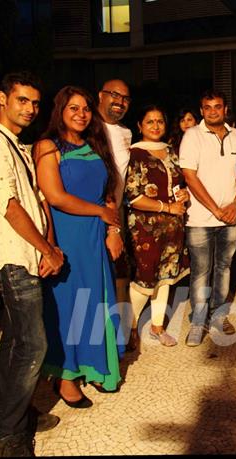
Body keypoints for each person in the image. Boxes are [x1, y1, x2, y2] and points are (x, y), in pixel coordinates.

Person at [0, 71, 64, 456]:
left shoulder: (17, 145)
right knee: (32, 345)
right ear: (2, 98)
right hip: (12, 256)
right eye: (22, 100)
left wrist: (50, 248)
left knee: (14, 342)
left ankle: (17, 411)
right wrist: (46, 248)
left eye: (35, 103)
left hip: (30, 253)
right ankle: (10, 435)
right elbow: (9, 208)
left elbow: (38, 201)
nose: (29, 108)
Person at [34, 86, 124, 408]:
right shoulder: (47, 146)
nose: (81, 114)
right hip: (67, 235)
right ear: (60, 110)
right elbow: (55, 196)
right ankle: (67, 378)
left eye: (86, 109)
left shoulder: (95, 145)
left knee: (97, 303)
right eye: (73, 108)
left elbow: (109, 192)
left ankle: (98, 366)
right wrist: (100, 211)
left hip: (96, 237)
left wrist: (113, 229)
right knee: (70, 306)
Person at [180, 90, 236, 347]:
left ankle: (218, 315)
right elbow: (190, 176)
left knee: (224, 268)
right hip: (200, 219)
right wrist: (215, 210)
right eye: (208, 107)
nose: (213, 111)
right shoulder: (192, 136)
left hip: (231, 217)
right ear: (201, 111)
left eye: (217, 107)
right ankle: (198, 322)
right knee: (200, 272)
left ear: (225, 109)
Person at [125, 106, 191, 347]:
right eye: (149, 121)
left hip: (173, 227)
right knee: (145, 279)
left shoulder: (171, 151)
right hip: (146, 228)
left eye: (159, 122)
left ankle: (157, 326)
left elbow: (179, 183)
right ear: (139, 126)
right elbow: (133, 196)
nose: (155, 126)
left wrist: (183, 194)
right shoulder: (135, 155)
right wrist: (167, 207)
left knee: (166, 277)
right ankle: (130, 327)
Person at [97, 79, 135, 349]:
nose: (119, 101)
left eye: (125, 98)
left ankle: (120, 332)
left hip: (116, 209)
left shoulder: (126, 133)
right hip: (91, 211)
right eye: (114, 95)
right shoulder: (87, 127)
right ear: (101, 95)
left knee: (119, 270)